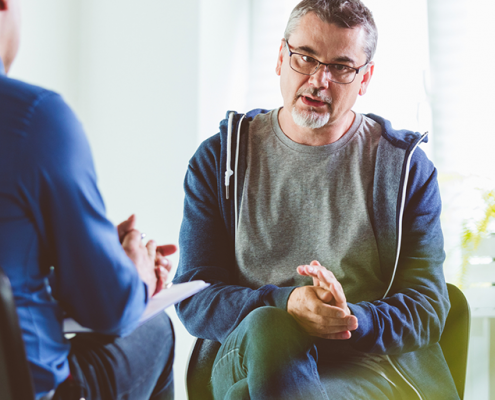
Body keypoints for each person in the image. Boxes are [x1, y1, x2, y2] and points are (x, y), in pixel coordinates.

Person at [174, 0, 459, 398]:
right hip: (247, 351)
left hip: (362, 366)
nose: (319, 80)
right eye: (305, 58)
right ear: (280, 58)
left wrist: (349, 318)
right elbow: (194, 294)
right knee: (270, 326)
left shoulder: (405, 169)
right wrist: (286, 303)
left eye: (341, 67)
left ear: (365, 78)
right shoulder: (220, 160)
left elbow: (427, 309)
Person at [0, 0, 176, 399]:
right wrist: (137, 272)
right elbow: (109, 308)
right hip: (27, 389)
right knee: (155, 328)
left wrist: (81, 253)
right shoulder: (36, 119)